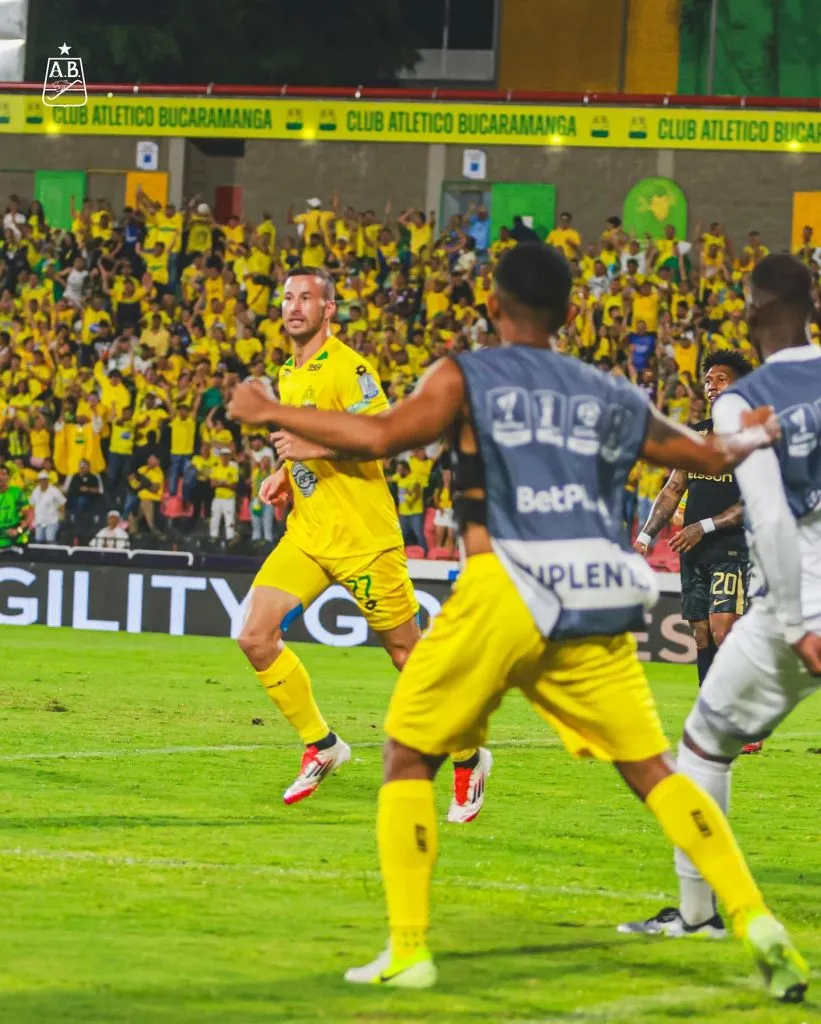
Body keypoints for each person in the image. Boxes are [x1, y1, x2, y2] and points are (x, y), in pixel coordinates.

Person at [228, 242, 806, 1001]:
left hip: (507, 585)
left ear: (494, 308)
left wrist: (269, 410)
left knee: (406, 755)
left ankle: (408, 950)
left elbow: (379, 438)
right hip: (595, 595)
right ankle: (756, 921)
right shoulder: (604, 388)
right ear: (569, 315)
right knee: (654, 773)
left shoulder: (465, 374)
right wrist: (748, 434)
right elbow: (699, 452)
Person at [617, 255, 821, 985]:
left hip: (798, 602)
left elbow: (768, 512)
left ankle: (698, 912)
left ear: (754, 310)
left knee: (703, 745)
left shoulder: (744, 400)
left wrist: (797, 620)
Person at [230, 266, 491, 821]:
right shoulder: (288, 371)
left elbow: (385, 437)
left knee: (406, 657)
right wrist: (284, 472)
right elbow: (304, 441)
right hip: (308, 534)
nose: (294, 306)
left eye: (307, 298)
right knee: (253, 635)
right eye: (287, 297)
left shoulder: (349, 366)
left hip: (364, 541)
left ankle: (469, 756)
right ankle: (323, 745)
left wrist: (311, 448)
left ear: (328, 310)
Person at [634, 353, 753, 700]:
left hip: (732, 548)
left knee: (723, 629)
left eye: (720, 379)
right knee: (701, 634)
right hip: (693, 549)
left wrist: (703, 526)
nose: (711, 385)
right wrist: (644, 536)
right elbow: (672, 490)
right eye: (708, 380)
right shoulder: (697, 434)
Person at [0, 463, 32, 548]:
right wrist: (5, 532)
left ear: (8, 477)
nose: (1, 477)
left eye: (3, 474)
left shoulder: (17, 493)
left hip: (16, 542)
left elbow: (29, 516)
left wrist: (18, 530)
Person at [30, 470, 66, 543]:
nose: (43, 482)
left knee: (50, 539)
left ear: (48, 480)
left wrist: (62, 515)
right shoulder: (35, 491)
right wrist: (32, 520)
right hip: (40, 521)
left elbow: (62, 502)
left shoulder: (54, 490)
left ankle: (53, 554)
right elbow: (32, 504)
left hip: (51, 520)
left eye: (45, 479)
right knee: (39, 540)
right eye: (41, 480)